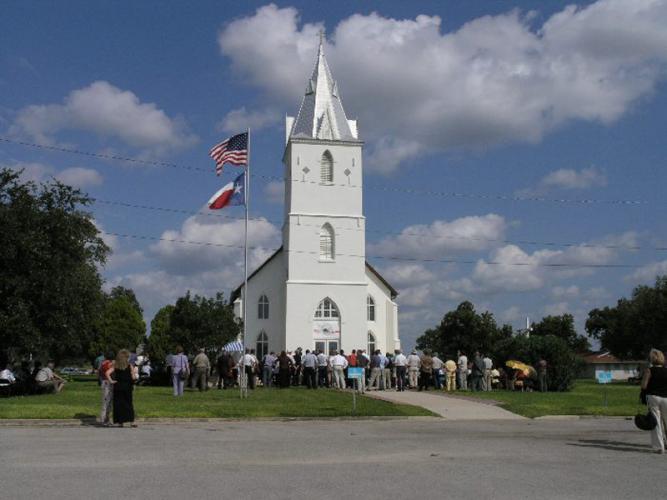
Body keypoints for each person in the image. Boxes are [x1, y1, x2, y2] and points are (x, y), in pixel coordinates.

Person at [641, 348, 667, 454]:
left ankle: (659, 447)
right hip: (666, 398)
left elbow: (644, 385)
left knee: (656, 421)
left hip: (653, 397)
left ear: (652, 359)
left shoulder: (649, 370)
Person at [105, 349, 137, 428]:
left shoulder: (115, 365)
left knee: (118, 404)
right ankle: (132, 422)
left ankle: (120, 422)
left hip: (118, 387)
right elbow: (133, 377)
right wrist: (135, 375)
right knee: (128, 404)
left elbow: (107, 373)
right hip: (127, 387)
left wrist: (111, 381)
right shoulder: (130, 366)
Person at [99, 352, 115, 426]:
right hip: (108, 383)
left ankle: (105, 419)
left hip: (103, 381)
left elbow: (98, 372)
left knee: (105, 401)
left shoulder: (102, 363)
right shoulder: (110, 364)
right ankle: (104, 420)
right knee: (107, 402)